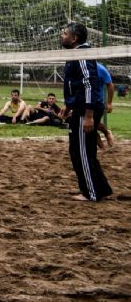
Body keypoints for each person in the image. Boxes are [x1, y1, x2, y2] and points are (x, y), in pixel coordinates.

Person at [60, 22, 112, 202]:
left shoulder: (82, 54)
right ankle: (101, 189)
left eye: (65, 33)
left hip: (85, 111)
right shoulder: (77, 54)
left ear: (74, 38)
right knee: (83, 151)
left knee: (81, 152)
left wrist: (89, 116)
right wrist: (68, 105)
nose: (62, 36)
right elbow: (76, 85)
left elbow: (89, 83)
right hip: (81, 108)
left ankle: (91, 193)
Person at [95, 62, 116, 149]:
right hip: (83, 102)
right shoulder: (78, 68)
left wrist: (109, 103)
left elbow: (110, 85)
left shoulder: (101, 69)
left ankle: (107, 133)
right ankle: (103, 148)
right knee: (87, 127)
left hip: (97, 102)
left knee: (94, 125)